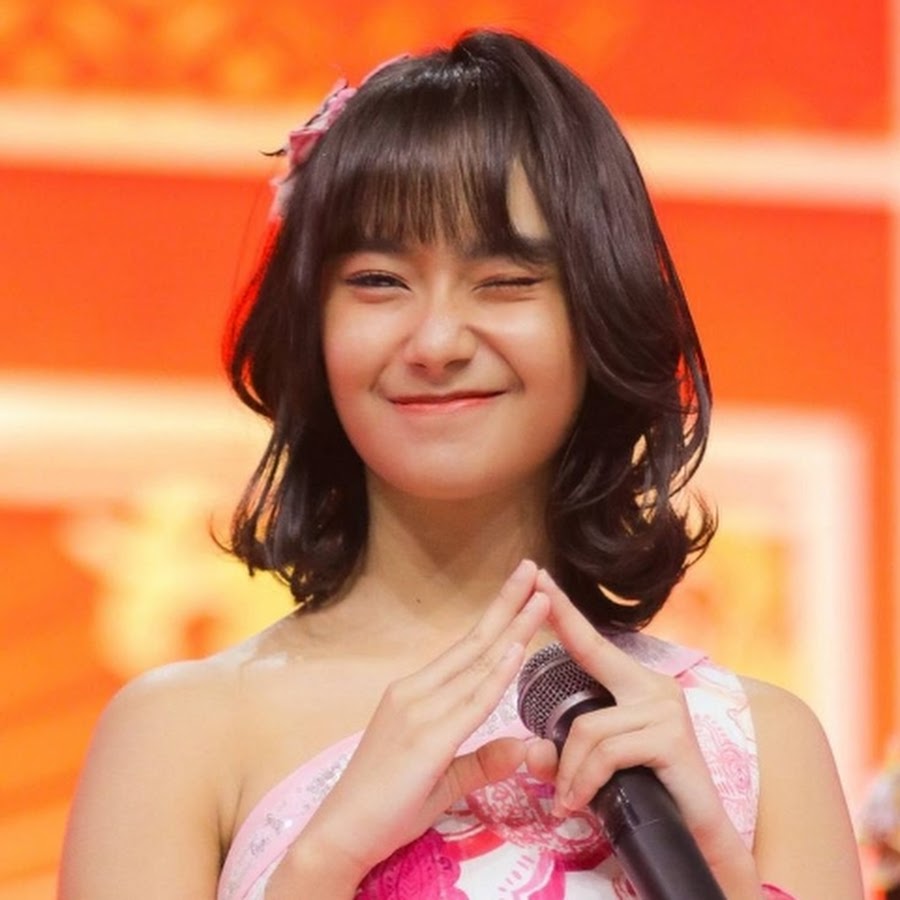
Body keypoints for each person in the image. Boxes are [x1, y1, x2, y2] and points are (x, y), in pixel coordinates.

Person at [59, 29, 863, 899]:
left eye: (506, 280)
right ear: (312, 327)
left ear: (600, 313)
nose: (436, 341)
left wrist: (721, 872)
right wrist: (329, 858)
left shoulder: (763, 741)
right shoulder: (179, 734)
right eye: (378, 280)